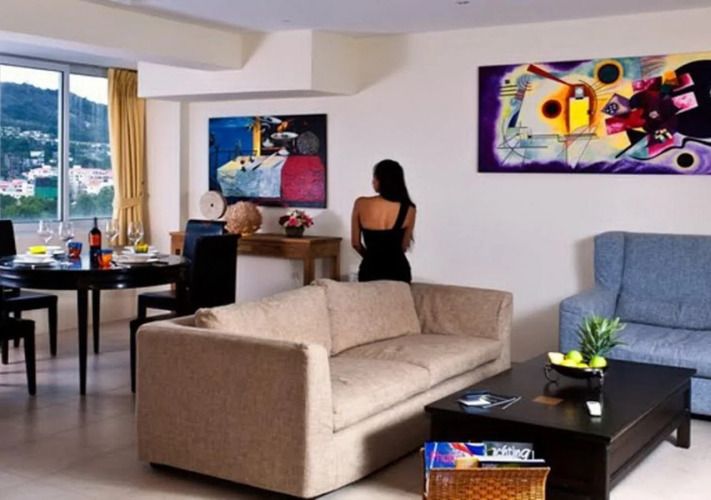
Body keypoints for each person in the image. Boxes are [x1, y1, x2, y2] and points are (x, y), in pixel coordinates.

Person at [351, 159, 416, 283]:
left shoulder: (360, 203)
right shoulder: (409, 208)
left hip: (370, 270)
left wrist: (371, 258)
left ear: (381, 180)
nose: (373, 181)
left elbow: (356, 244)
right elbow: (404, 245)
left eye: (375, 177)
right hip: (398, 271)